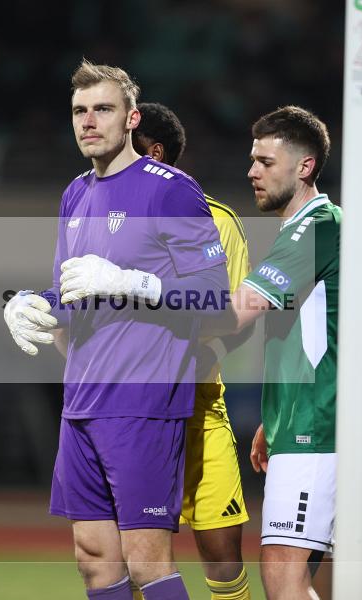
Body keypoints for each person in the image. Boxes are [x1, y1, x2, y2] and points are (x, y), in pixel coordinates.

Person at [3, 59, 230, 600]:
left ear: (131, 118)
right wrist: (33, 303)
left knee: (146, 561)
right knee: (94, 559)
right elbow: (77, 292)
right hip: (81, 399)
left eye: (102, 109)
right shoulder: (74, 195)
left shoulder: (170, 190)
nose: (89, 121)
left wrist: (138, 283)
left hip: (143, 402)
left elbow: (216, 300)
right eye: (80, 111)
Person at [197, 106, 338, 600]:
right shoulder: (303, 230)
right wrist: (273, 418)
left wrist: (134, 291)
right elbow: (312, 337)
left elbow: (236, 312)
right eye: (252, 160)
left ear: (304, 166)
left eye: (264, 161)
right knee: (289, 578)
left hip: (318, 428)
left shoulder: (314, 227)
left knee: (282, 575)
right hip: (300, 421)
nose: (251, 172)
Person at [132, 102, 253, 600]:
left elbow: (238, 318)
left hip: (199, 402)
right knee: (130, 551)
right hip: (132, 407)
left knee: (222, 551)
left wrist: (189, 340)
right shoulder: (108, 218)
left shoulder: (218, 220)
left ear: (155, 152)